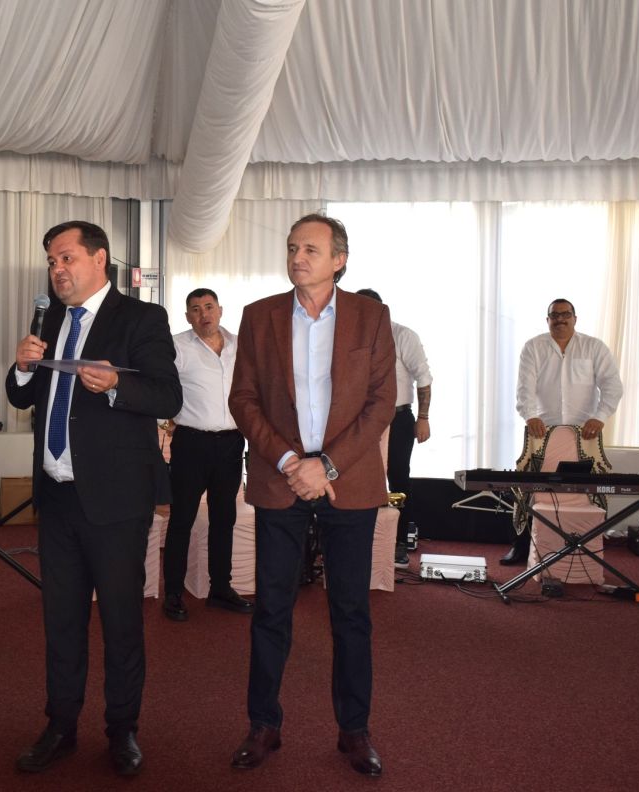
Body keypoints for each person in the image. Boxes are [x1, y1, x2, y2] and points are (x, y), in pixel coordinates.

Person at [6, 220, 182, 777]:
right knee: (61, 621)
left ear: (99, 258)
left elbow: (167, 395)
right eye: (51, 261)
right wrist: (21, 367)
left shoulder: (142, 318)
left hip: (115, 501)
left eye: (66, 258)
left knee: (122, 622)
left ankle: (122, 729)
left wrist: (117, 386)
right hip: (56, 497)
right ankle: (60, 725)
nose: (57, 270)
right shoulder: (49, 318)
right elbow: (21, 397)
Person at [228, 214, 395, 777]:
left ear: (339, 260)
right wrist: (288, 461)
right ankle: (263, 724)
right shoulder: (259, 316)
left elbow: (381, 402)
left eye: (311, 249)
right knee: (271, 609)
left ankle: (355, 730)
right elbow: (243, 399)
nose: (298, 257)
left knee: (350, 612)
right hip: (281, 479)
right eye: (292, 247)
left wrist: (326, 465)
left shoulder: (371, 316)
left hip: (349, 480)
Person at [503, 298, 623, 565]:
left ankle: (585, 547)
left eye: (565, 314)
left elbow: (613, 386)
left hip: (585, 431)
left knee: (587, 488)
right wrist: (530, 415)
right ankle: (521, 545)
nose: (560, 319)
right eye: (554, 315)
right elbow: (524, 387)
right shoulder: (534, 347)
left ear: (575, 318)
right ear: (547, 320)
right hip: (541, 429)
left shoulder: (594, 347)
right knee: (528, 484)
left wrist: (600, 417)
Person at [161, 288, 251, 622]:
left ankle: (220, 588)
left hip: (231, 443)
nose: (204, 315)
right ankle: (173, 592)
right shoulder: (176, 346)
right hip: (191, 443)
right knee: (181, 519)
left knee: (224, 518)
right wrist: (165, 418)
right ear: (188, 317)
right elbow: (160, 387)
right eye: (196, 309)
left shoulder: (240, 345)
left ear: (220, 310)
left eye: (209, 307)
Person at [355, 288, 432, 567]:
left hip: (397, 418)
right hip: (361, 419)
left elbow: (424, 378)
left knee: (398, 477)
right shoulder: (351, 336)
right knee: (360, 479)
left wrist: (423, 418)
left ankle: (399, 541)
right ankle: (363, 538)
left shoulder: (402, 335)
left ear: (381, 310)